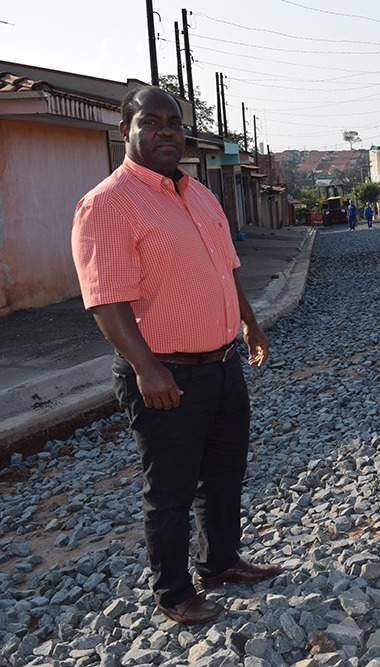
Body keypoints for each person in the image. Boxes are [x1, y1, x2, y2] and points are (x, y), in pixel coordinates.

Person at [71, 86, 280, 626]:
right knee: (169, 490)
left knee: (225, 472)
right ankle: (173, 591)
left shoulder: (199, 192)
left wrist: (251, 327)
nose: (167, 130)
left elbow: (227, 269)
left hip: (223, 362)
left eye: (174, 122)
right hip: (166, 372)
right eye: (152, 121)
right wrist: (147, 368)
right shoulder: (107, 203)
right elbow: (106, 299)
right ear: (126, 130)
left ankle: (220, 562)